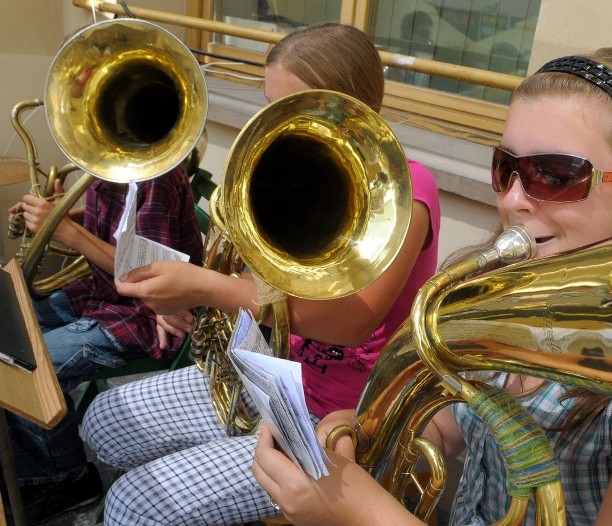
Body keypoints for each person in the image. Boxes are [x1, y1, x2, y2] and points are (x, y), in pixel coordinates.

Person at [251, 48, 612, 525]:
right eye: (506, 168)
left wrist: (355, 510)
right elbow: (453, 423)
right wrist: (368, 428)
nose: (513, 200)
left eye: (556, 175)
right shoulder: (508, 294)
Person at [82, 22, 442, 526]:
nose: (273, 122)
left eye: (289, 106)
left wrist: (210, 287)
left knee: (135, 505)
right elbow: (250, 279)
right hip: (266, 377)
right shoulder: (285, 169)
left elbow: (352, 322)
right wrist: (186, 297)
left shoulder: (410, 186)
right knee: (104, 422)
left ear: (347, 103)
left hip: (335, 419)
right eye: (270, 105)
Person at [3, 163, 203, 523]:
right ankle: (34, 458)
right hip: (99, 294)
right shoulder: (112, 162)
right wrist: (57, 215)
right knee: (9, 327)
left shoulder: (156, 177)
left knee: (28, 367)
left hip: (144, 316)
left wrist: (65, 229)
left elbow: (153, 275)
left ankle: (66, 478)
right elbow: (117, 231)